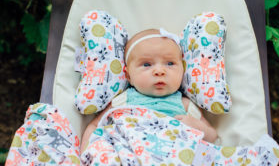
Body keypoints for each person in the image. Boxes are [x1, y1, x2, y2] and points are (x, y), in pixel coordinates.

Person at [80, 29, 217, 152]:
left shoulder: (185, 105)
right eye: (146, 64)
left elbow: (213, 137)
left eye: (170, 63)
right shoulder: (123, 100)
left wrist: (198, 127)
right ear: (129, 76)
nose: (159, 71)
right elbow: (94, 126)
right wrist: (86, 154)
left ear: (183, 69)